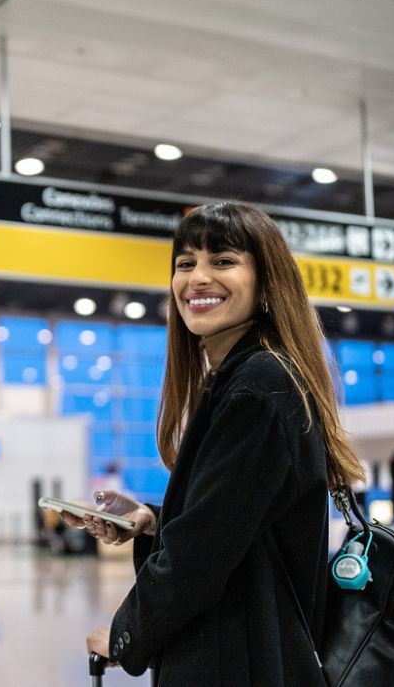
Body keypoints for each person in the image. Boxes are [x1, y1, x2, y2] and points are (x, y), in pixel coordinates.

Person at [67, 203, 366, 685]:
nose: (197, 278)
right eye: (185, 264)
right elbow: (236, 526)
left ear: (267, 282)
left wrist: (125, 634)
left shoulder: (258, 388)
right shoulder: (251, 378)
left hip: (241, 661)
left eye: (222, 261)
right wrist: (150, 521)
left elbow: (200, 555)